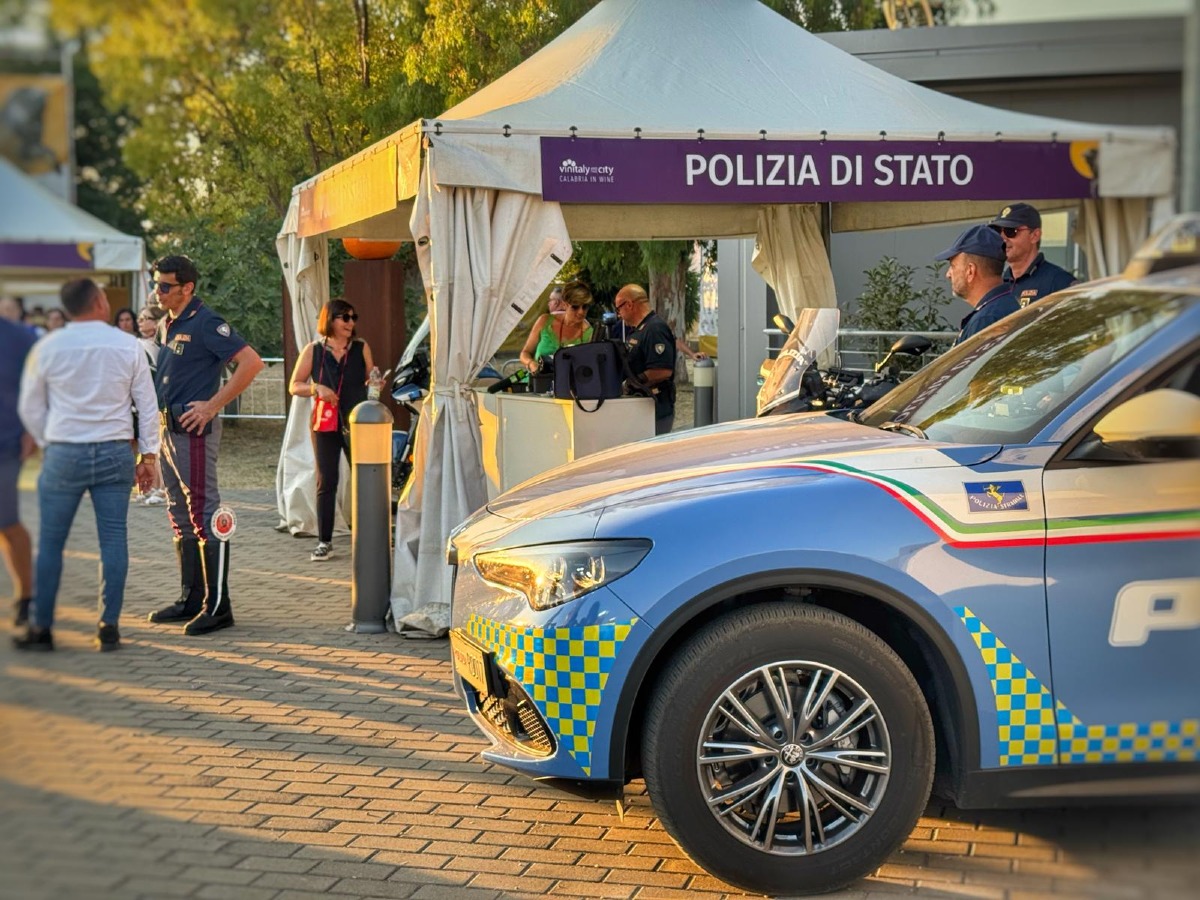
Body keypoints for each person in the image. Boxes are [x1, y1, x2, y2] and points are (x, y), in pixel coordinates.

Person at [13, 278, 159, 652]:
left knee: (51, 543)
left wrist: (50, 440)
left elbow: (30, 406)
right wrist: (149, 455)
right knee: (113, 540)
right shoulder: (127, 345)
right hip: (114, 451)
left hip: (65, 450)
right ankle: (108, 625)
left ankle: (41, 628)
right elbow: (146, 403)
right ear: (97, 301)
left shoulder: (48, 346)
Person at [145, 255, 264, 635]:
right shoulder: (168, 323)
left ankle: (218, 606)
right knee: (178, 513)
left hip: (194, 430)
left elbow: (251, 363)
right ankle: (191, 599)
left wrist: (213, 406)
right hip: (169, 429)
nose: (158, 292)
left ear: (187, 288)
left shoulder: (206, 321)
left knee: (202, 511)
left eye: (166, 286)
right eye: (156, 284)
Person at [287, 298, 374, 562]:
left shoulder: (361, 347)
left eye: (353, 318)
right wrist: (317, 388)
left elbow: (372, 379)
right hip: (325, 423)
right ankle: (325, 541)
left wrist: (376, 381)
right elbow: (295, 385)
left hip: (357, 422)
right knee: (327, 480)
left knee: (365, 478)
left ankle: (369, 536)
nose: (350, 323)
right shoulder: (314, 350)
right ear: (330, 320)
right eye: (344, 317)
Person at [0, 315, 36, 628]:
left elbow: (40, 386)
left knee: (6, 522)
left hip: (5, 444)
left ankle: (26, 595)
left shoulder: (19, 337)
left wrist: (31, 431)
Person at [934, 225, 1020, 346]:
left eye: (953, 266)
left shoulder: (986, 320)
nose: (948, 274)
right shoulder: (1005, 304)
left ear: (970, 271)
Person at [614, 283, 678, 435]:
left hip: (655, 407)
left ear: (629, 305)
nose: (618, 315)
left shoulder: (654, 329)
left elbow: (662, 371)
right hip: (641, 406)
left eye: (618, 309)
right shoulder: (639, 330)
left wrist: (633, 383)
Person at [987, 203, 1078, 307]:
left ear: (1035, 235)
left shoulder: (1060, 282)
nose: (1003, 238)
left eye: (1010, 231)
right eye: (997, 231)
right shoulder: (998, 284)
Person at [518, 280, 594, 375]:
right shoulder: (544, 321)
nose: (581, 312)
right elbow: (524, 353)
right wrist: (531, 364)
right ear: (565, 304)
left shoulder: (589, 333)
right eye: (575, 307)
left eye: (585, 307)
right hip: (538, 382)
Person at [135, 306, 168, 505]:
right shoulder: (140, 344)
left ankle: (163, 488)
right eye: (139, 318)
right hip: (147, 404)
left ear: (156, 322)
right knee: (150, 448)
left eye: (146, 318)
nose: (141, 322)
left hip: (158, 401)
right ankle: (152, 486)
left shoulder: (158, 346)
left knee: (159, 447)